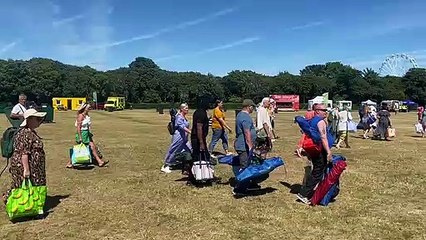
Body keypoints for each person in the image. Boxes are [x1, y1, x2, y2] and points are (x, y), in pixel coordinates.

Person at [2, 109, 47, 205]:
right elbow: (24, 153)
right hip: (23, 165)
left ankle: (32, 204)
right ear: (29, 120)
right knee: (19, 186)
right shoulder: (25, 133)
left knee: (27, 186)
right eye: (37, 119)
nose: (40, 121)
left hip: (34, 167)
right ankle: (14, 203)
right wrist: (26, 169)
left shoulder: (31, 132)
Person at [297, 104, 333, 205]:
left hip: (313, 149)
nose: (326, 112)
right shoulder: (320, 122)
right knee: (317, 172)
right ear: (317, 111)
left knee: (317, 171)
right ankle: (304, 194)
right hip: (319, 150)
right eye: (324, 110)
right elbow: (323, 137)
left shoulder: (312, 120)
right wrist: (328, 152)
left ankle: (313, 191)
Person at [233, 99, 268, 196]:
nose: (253, 109)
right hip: (244, 147)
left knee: (251, 166)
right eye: (252, 107)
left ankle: (252, 184)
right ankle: (240, 189)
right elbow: (246, 132)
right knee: (245, 168)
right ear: (249, 107)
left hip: (243, 145)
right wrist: (250, 146)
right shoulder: (245, 117)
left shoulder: (240, 115)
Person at [66, 103, 108, 168]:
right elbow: (78, 127)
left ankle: (99, 162)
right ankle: (70, 163)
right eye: (88, 108)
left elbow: (87, 126)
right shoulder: (81, 116)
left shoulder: (87, 115)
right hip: (82, 134)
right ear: (84, 108)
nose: (89, 108)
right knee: (79, 149)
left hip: (87, 133)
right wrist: (80, 137)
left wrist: (89, 133)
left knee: (92, 147)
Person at [161, 103, 192, 173]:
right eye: (186, 108)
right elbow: (182, 127)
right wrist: (190, 132)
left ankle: (186, 165)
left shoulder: (184, 117)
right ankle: (166, 165)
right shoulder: (179, 117)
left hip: (184, 138)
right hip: (179, 136)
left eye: (187, 108)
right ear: (182, 109)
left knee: (189, 150)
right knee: (174, 150)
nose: (187, 109)